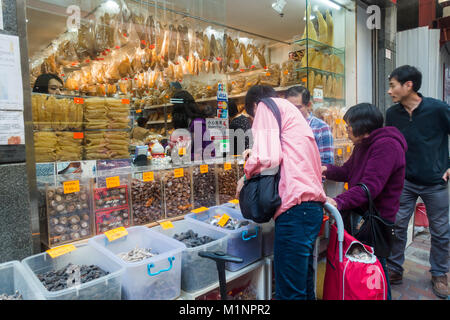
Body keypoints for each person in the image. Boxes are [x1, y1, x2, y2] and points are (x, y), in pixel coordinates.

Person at [236, 85, 326, 300]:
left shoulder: (267, 107)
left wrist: (246, 175)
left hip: (295, 210)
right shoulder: (291, 112)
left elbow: (268, 156)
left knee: (290, 293)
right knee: (303, 286)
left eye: (253, 117)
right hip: (310, 208)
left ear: (256, 106)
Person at [322, 103, 407, 301]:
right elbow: (347, 171)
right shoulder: (363, 145)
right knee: (364, 262)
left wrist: (338, 201)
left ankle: (381, 296)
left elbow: (370, 188)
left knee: (377, 264)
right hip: (360, 214)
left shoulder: (387, 145)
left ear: (363, 125)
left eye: (349, 125)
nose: (347, 130)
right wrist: (324, 169)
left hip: (376, 217)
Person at [385, 65, 450, 299]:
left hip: (435, 182)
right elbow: (390, 145)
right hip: (405, 181)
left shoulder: (438, 109)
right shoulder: (392, 115)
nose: (389, 91)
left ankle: (440, 273)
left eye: (393, 85)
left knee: (441, 231)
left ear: (408, 85)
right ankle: (394, 268)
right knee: (396, 226)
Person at [285, 86, 334, 165]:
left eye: (298, 107)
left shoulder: (320, 128)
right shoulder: (283, 125)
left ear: (308, 105)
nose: (293, 111)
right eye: (289, 107)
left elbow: (326, 163)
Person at [170, 90, 214, 161]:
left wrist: (183, 156)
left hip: (202, 168)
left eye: (174, 106)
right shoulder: (187, 123)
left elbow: (202, 153)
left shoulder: (198, 124)